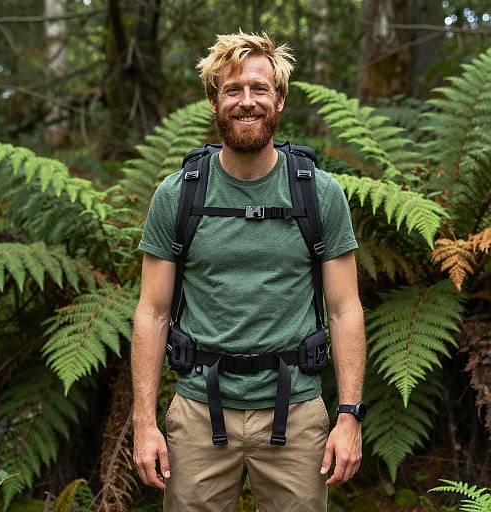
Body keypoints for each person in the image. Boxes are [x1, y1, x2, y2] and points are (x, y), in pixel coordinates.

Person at [131, 31, 366, 512]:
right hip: (197, 410)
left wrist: (349, 417)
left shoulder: (318, 194)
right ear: (214, 100)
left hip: (297, 412)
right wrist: (144, 422)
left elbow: (345, 310)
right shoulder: (178, 195)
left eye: (260, 89)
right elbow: (152, 313)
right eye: (232, 90)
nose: (247, 102)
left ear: (279, 98)